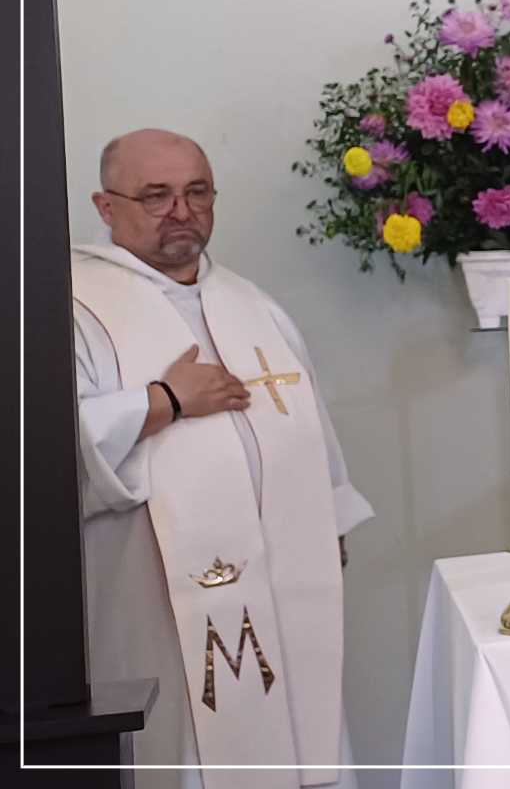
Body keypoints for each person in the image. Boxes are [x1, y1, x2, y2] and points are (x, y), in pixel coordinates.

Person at [73, 129, 372, 788]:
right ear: (105, 206)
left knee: (298, 729)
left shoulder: (252, 303)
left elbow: (312, 429)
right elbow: (47, 449)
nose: (181, 211)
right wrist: (163, 401)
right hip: (157, 591)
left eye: (197, 192)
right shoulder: (72, 305)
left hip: (284, 581)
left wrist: (328, 525)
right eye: (156, 196)